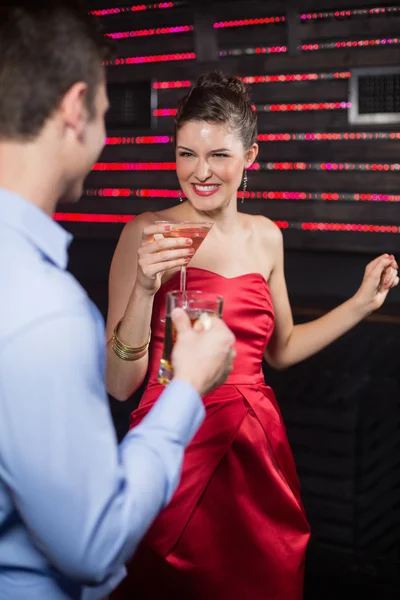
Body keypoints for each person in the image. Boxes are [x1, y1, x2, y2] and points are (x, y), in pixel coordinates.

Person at [106, 71, 399, 600]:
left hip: (256, 449)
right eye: (185, 154)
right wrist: (145, 289)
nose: (199, 172)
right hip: (176, 443)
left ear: (251, 157)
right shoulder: (145, 233)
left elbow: (281, 351)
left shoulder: (267, 237)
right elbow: (120, 384)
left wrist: (360, 304)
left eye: (218, 155)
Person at [0, 4, 236, 600]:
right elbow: (93, 544)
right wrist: (188, 388)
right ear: (76, 108)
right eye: (106, 109)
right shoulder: (46, 307)